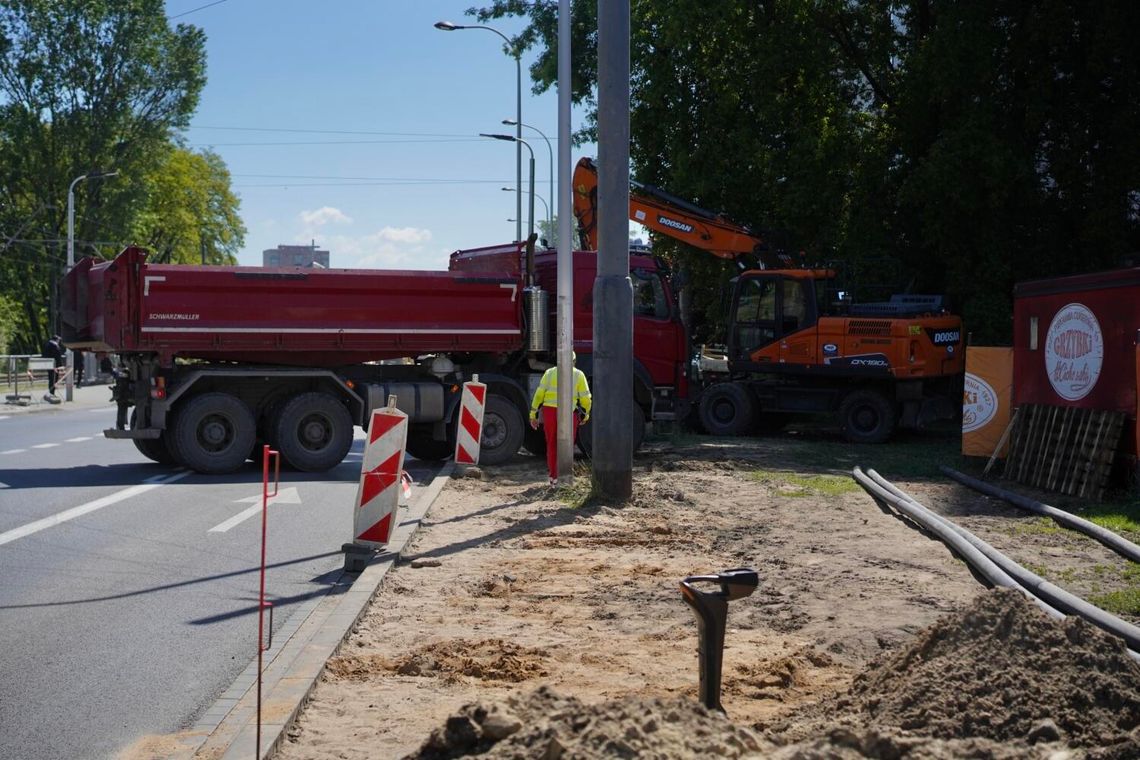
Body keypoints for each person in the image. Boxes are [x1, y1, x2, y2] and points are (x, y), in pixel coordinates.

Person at [529, 352, 592, 485]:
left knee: (552, 444)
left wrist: (533, 414)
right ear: (574, 361)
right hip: (568, 412)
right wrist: (585, 414)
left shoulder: (549, 373)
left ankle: (554, 477)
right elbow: (586, 398)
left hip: (549, 411)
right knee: (567, 445)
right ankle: (565, 477)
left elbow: (539, 395)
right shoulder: (578, 375)